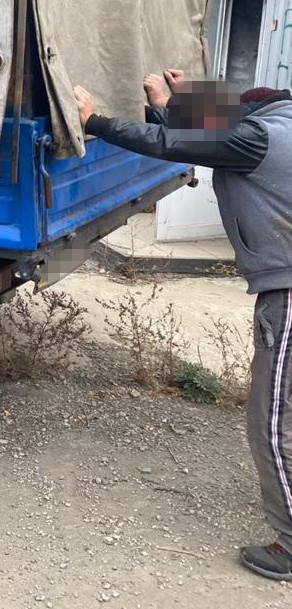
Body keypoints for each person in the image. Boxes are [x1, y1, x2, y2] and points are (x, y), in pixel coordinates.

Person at [73, 71, 292, 582]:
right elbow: (195, 136)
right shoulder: (279, 124)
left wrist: (94, 121)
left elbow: (178, 142)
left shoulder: (261, 138)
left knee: (271, 419)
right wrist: (165, 104)